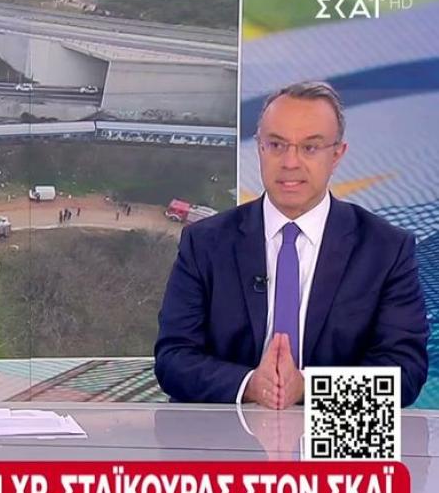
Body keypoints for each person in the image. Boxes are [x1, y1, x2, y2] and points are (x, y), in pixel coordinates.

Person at [154, 81, 428, 408]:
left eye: (310, 148)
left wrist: (308, 389)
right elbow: (173, 358)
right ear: (259, 148)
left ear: (337, 155)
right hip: (228, 424)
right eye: (276, 144)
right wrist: (250, 385)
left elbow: (405, 372)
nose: (290, 162)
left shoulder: (386, 249)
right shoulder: (205, 242)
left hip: (338, 429)